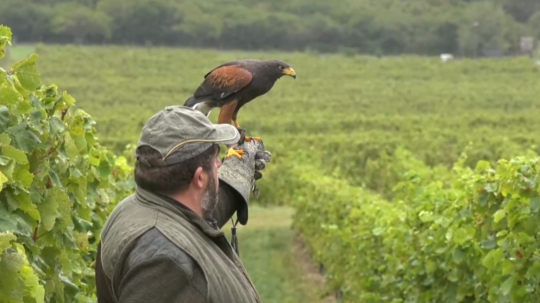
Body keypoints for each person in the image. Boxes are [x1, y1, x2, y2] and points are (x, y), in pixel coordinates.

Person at [95, 105, 272, 302]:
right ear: (199, 178)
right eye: (215, 158)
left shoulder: (131, 210)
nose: (220, 164)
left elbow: (192, 221)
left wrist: (237, 176)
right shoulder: (167, 264)